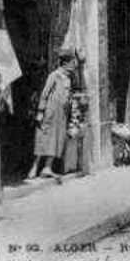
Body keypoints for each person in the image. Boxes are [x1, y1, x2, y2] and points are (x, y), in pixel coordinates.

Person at [27, 49, 77, 179]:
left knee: (57, 139)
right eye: (72, 62)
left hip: (62, 114)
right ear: (65, 63)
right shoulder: (54, 75)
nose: (74, 65)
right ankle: (34, 167)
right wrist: (40, 112)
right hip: (50, 111)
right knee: (43, 137)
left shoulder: (69, 78)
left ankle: (47, 167)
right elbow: (44, 94)